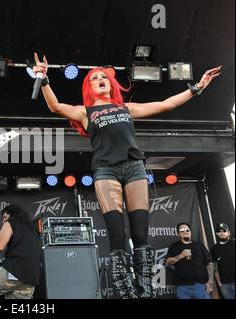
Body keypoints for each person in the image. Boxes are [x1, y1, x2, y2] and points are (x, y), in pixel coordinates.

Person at [32, 52, 221, 299]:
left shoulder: (126, 108)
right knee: (117, 233)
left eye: (104, 77)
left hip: (134, 167)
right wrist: (44, 79)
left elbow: (166, 104)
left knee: (140, 232)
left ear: (111, 83)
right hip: (106, 170)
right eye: (94, 78)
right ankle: (126, 292)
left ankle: (144, 291)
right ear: (88, 86)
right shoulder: (85, 112)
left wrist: (196, 88)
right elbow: (55, 106)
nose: (100, 79)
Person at [0, 204, 42, 299]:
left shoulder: (10, 222)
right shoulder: (33, 230)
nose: (3, 221)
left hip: (14, 272)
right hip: (30, 279)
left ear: (11, 214)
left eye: (5, 217)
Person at [165, 223, 214, 299]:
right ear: (178, 234)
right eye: (182, 230)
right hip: (182, 287)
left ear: (190, 232)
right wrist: (181, 255)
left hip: (200, 286)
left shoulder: (199, 245)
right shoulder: (174, 246)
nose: (185, 232)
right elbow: (167, 263)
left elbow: (209, 263)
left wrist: (210, 281)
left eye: (187, 230)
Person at [211, 223, 235, 299]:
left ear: (228, 233)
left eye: (224, 231)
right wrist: (219, 283)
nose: (222, 233)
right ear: (216, 233)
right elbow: (215, 266)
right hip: (224, 284)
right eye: (219, 231)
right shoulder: (214, 248)